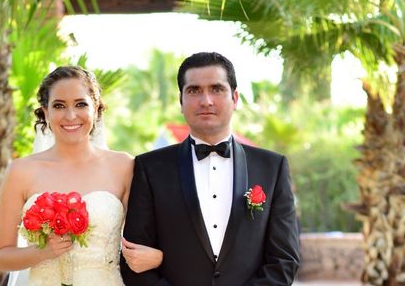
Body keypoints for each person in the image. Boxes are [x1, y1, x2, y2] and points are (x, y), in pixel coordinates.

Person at [121, 52, 301, 285]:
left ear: (235, 98)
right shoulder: (149, 168)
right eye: (194, 90)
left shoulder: (272, 167)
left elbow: (284, 260)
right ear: (181, 100)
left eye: (216, 89)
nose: (206, 100)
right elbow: (134, 258)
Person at [0, 66, 162, 285]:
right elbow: (0, 257)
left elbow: (147, 240)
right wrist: (43, 251)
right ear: (45, 112)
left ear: (96, 108)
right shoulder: (20, 171)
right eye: (59, 106)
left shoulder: (124, 166)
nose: (71, 115)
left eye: (81, 104)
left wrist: (159, 257)